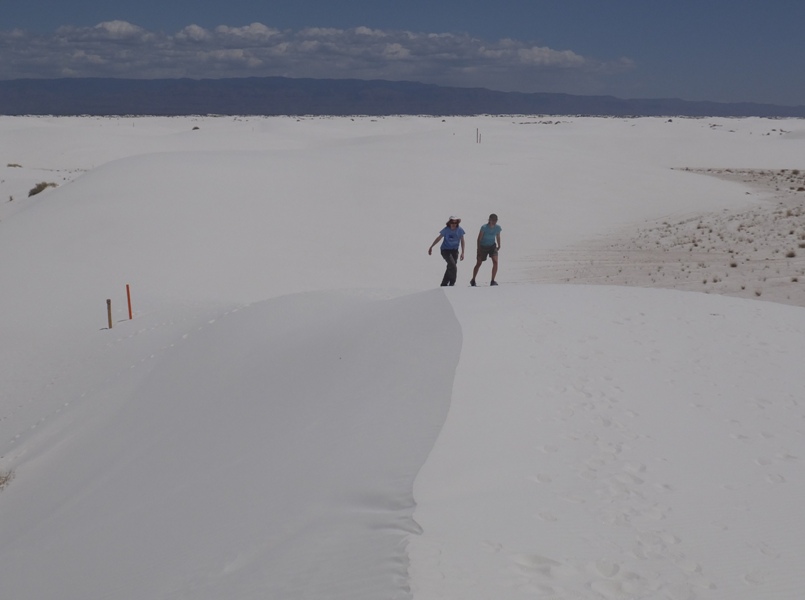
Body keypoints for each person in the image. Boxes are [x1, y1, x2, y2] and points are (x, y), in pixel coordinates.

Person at [428, 216, 465, 286]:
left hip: (454, 250)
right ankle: (452, 283)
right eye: (452, 222)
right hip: (445, 250)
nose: (454, 224)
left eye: (455, 222)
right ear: (449, 223)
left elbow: (462, 240)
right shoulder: (446, 230)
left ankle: (444, 284)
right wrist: (432, 246)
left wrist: (463, 252)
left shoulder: (460, 230)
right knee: (453, 266)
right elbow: (439, 238)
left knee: (450, 266)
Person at [470, 213, 502, 286]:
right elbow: (479, 239)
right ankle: (473, 279)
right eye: (492, 220)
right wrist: (478, 249)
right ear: (489, 220)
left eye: (495, 220)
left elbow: (498, 236)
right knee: (479, 263)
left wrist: (499, 244)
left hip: (492, 246)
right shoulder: (484, 227)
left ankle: (492, 280)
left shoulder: (498, 228)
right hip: (483, 247)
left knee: (495, 262)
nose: (494, 222)